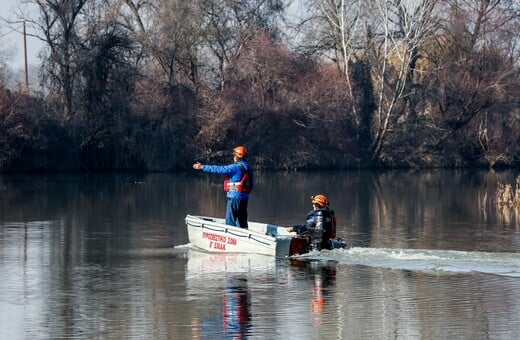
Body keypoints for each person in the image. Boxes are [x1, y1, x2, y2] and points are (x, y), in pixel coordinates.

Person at [193, 146, 254, 229]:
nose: (233, 157)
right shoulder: (248, 167)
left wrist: (202, 167)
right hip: (244, 198)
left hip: (234, 198)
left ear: (236, 157)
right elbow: (251, 184)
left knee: (230, 222)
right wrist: (245, 194)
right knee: (242, 222)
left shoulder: (235, 167)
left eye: (234, 155)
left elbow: (219, 169)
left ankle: (231, 239)